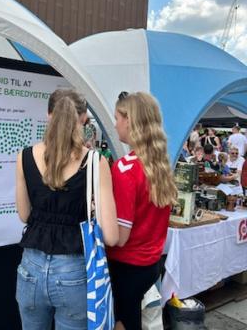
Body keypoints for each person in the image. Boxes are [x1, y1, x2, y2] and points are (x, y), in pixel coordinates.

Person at [15, 89, 118, 330]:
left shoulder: (24, 156)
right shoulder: (96, 162)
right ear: (83, 119)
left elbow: (24, 215)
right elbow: (111, 236)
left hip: (30, 267)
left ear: (49, 115)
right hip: (74, 271)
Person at [106, 91, 177, 330]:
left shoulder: (124, 168)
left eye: (117, 118)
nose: (115, 124)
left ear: (130, 121)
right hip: (150, 265)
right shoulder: (160, 165)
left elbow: (120, 236)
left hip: (126, 265)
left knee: (123, 323)